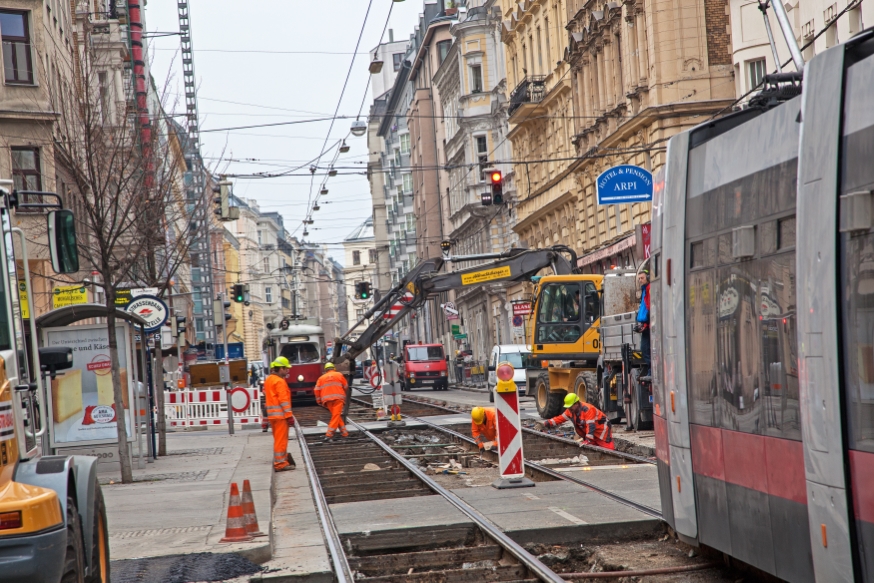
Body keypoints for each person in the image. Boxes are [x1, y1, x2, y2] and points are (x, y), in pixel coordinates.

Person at [541, 393, 615, 449]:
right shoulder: (571, 410)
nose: (569, 408)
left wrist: (588, 439)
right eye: (568, 407)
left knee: (608, 450)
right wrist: (546, 423)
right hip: (591, 433)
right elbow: (560, 418)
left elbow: (591, 425)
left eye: (570, 406)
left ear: (576, 403)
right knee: (592, 449)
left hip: (601, 431)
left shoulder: (588, 409)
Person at [264, 357, 296, 471]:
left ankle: (281, 460)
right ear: (280, 368)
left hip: (272, 415)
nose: (288, 371)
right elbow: (284, 401)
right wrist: (289, 416)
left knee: (278, 439)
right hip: (280, 416)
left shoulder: (269, 379)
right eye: (286, 369)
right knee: (281, 440)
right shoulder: (280, 381)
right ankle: (280, 463)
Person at [315, 362, 349, 439]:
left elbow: (316, 390)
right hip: (338, 399)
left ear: (325, 370)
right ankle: (329, 434)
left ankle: (344, 433)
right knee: (336, 416)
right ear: (334, 368)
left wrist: (318, 400)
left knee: (335, 415)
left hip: (327, 400)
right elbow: (346, 386)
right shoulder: (339, 375)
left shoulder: (321, 378)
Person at [633, 270, 651, 381]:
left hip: (649, 325)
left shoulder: (649, 289)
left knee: (646, 349)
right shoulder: (644, 290)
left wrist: (646, 323)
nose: (640, 280)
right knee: (645, 349)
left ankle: (651, 371)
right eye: (639, 278)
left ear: (648, 277)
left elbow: (650, 307)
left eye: (642, 278)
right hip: (646, 325)